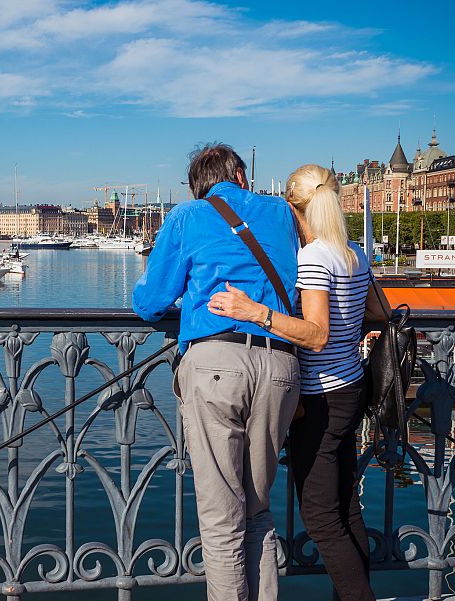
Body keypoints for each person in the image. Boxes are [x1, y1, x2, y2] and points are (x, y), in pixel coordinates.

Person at [207, 164, 390, 601]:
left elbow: (317, 333)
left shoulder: (313, 258)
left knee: (321, 518)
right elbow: (376, 314)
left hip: (321, 396)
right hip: (351, 386)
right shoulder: (353, 253)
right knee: (346, 508)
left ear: (293, 208)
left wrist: (256, 312)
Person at [132, 143, 300, 601]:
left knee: (222, 516)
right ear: (241, 176)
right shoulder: (283, 213)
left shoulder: (187, 216)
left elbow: (150, 302)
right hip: (281, 364)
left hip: (218, 366)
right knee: (258, 511)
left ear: (198, 186)